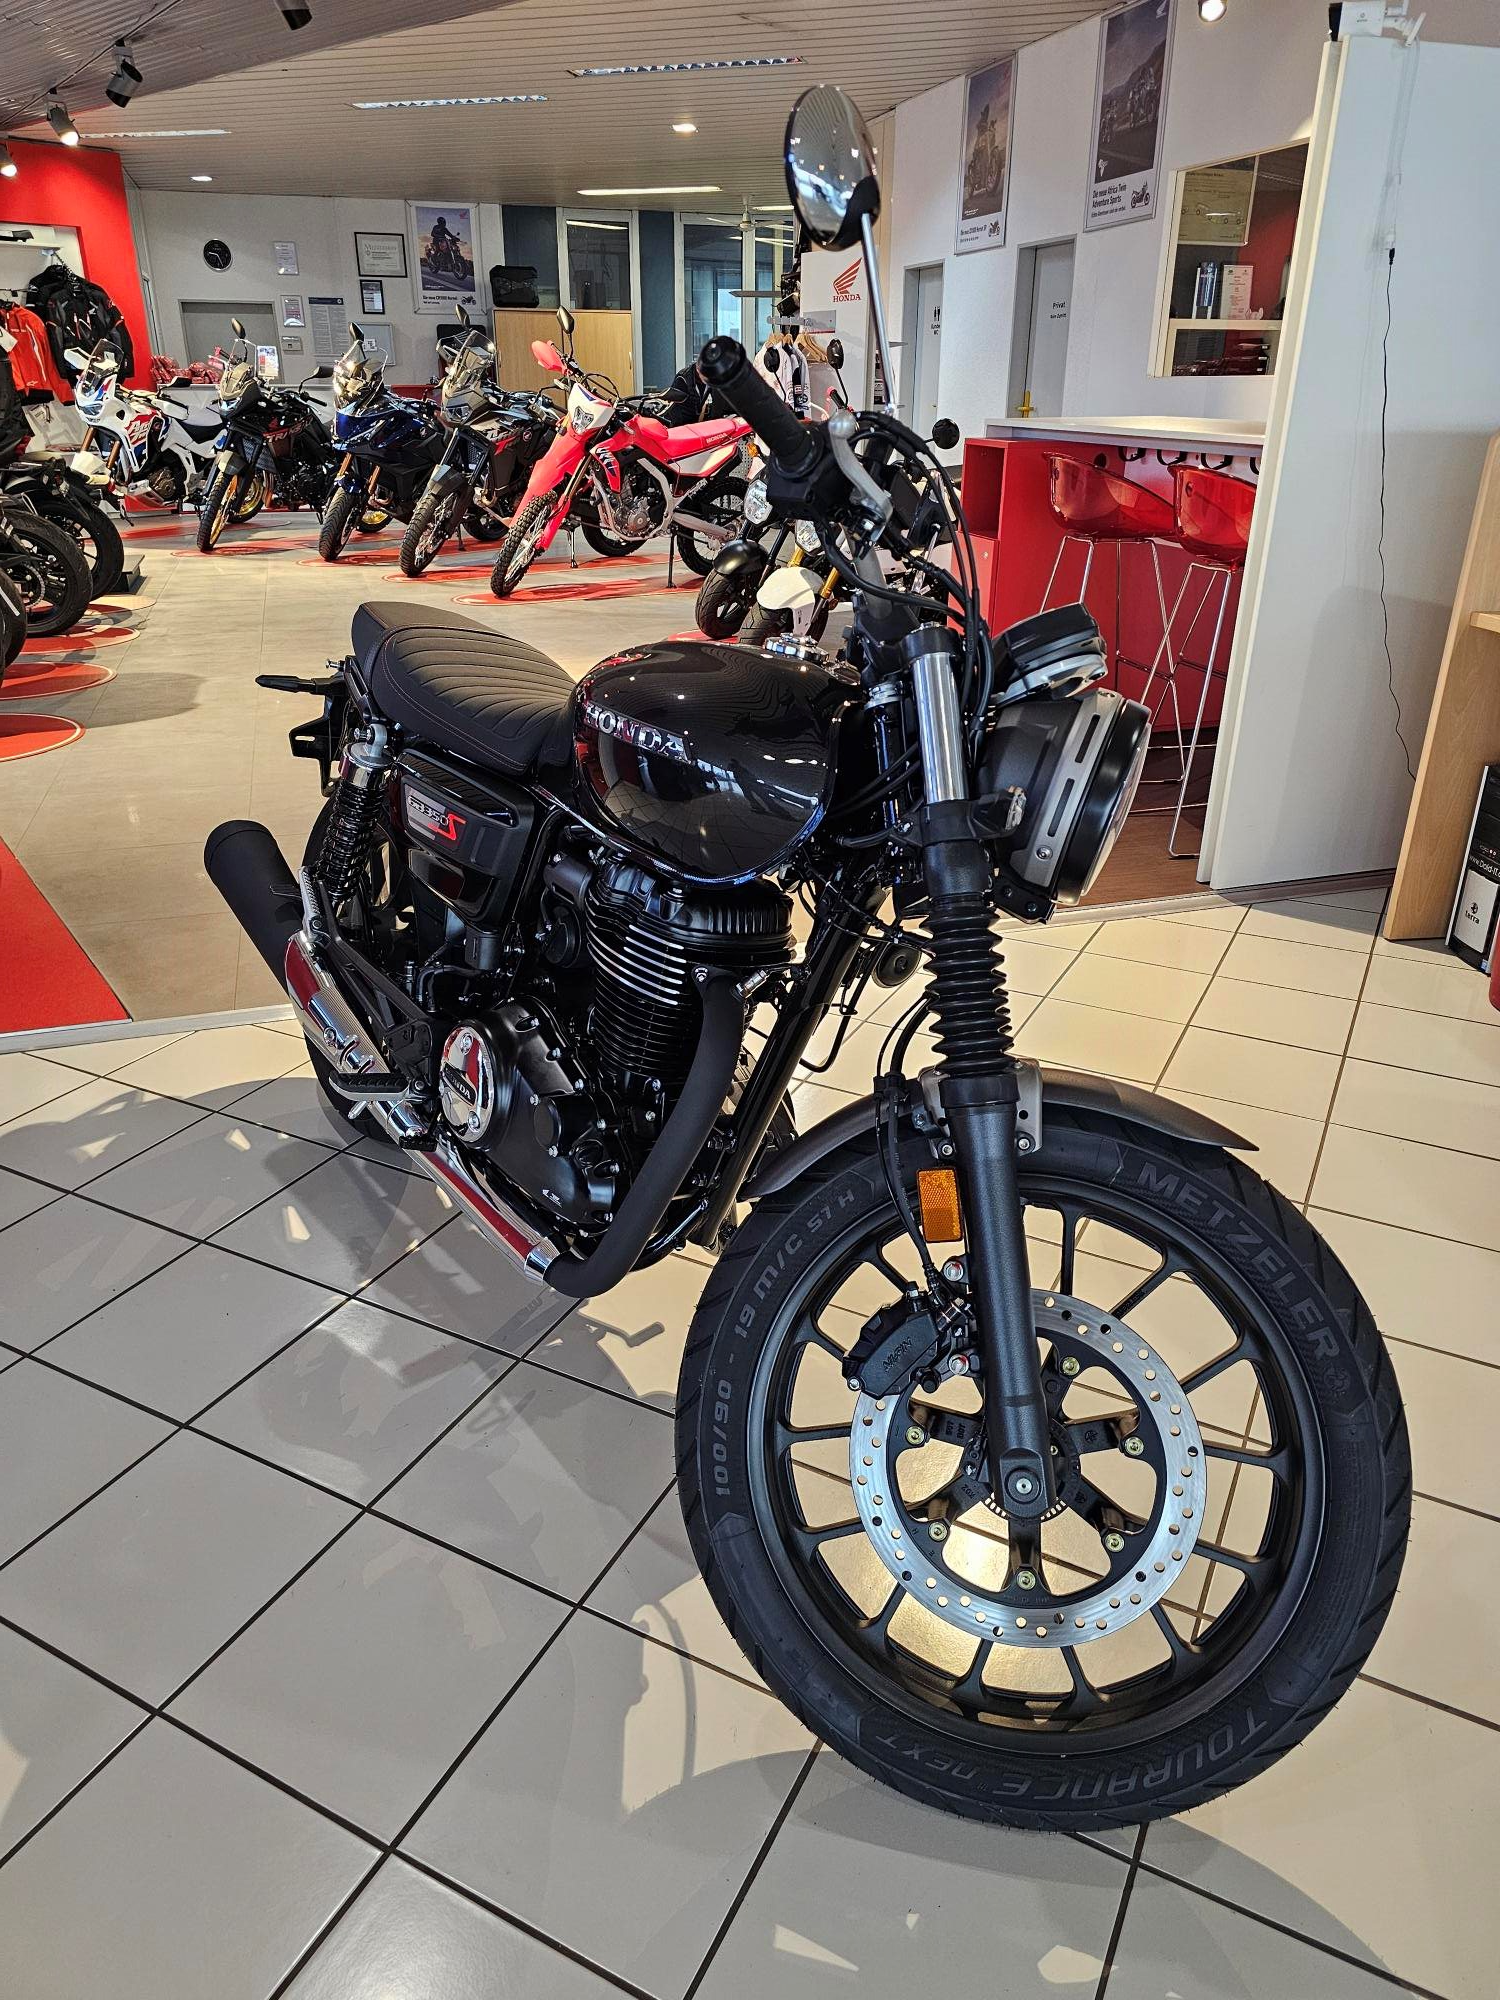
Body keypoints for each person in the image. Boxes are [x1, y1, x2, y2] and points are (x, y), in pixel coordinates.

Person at [655, 357, 727, 427]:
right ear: (698, 369)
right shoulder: (683, 378)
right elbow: (675, 408)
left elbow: (718, 402)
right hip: (679, 423)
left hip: (695, 421)